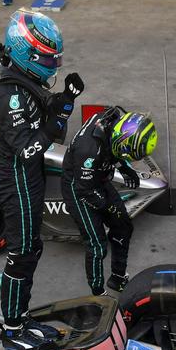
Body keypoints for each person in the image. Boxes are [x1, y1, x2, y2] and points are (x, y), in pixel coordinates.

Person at [0, 9, 84, 350]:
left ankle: (21, 317)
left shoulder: (23, 85)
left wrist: (66, 100)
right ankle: (12, 329)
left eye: (55, 59)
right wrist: (56, 123)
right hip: (16, 179)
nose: (53, 66)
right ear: (26, 53)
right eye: (47, 58)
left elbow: (45, 113)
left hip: (28, 177)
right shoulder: (8, 96)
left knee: (31, 249)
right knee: (22, 252)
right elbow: (28, 148)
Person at [61, 108, 157, 296]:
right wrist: (108, 206)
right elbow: (85, 190)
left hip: (99, 177)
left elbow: (116, 150)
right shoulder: (88, 150)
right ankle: (98, 295)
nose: (130, 157)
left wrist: (125, 167)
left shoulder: (114, 121)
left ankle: (118, 278)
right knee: (97, 244)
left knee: (123, 227)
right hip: (79, 188)